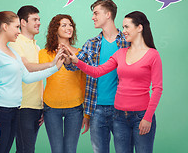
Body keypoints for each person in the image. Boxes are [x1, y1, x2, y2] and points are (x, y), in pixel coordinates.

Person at [64, 11, 163, 153]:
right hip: (119, 116)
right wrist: (76, 61)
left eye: (127, 27)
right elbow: (97, 71)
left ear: (139, 28)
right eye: (123, 27)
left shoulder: (153, 55)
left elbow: (158, 89)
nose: (124, 31)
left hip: (141, 115)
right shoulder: (120, 53)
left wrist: (147, 118)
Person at [0, 11, 64, 153]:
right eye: (16, 27)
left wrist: (55, 67)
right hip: (0, 112)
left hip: (14, 111)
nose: (18, 32)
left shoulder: (12, 52)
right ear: (5, 27)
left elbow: (27, 77)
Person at [64, 0, 130, 153]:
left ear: (108, 15)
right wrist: (68, 59)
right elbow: (74, 65)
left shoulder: (127, 42)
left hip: (122, 108)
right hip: (96, 109)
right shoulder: (91, 43)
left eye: (96, 13)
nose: (93, 17)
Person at [8, 5, 54, 153]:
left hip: (36, 107)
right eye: (34, 19)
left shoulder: (37, 47)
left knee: (27, 149)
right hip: (22, 107)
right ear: (23, 22)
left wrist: (42, 105)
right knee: (25, 149)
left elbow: (39, 77)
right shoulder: (15, 43)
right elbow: (26, 67)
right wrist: (53, 64)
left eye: (39, 19)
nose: (39, 22)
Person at [38, 14, 86, 153]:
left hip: (75, 108)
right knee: (57, 150)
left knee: (70, 150)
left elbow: (84, 81)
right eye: (63, 25)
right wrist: (40, 105)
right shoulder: (44, 53)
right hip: (51, 108)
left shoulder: (80, 53)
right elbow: (39, 79)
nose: (68, 27)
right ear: (55, 29)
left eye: (70, 25)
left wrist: (86, 113)